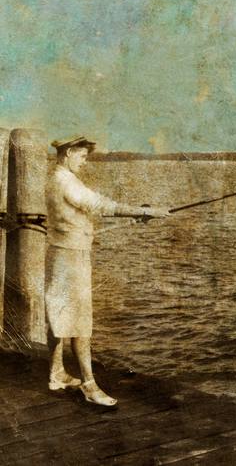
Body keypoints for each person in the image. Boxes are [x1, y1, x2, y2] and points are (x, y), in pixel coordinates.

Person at [45, 136, 169, 406]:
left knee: (58, 313)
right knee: (80, 322)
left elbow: (77, 216)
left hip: (59, 252)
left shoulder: (54, 178)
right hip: (71, 257)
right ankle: (89, 386)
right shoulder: (66, 182)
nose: (84, 161)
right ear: (67, 154)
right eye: (82, 156)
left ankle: (56, 373)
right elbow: (101, 205)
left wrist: (136, 216)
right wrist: (145, 211)